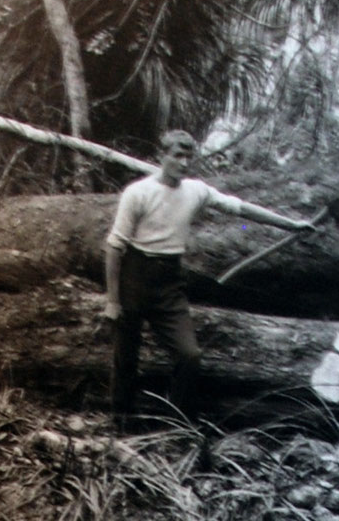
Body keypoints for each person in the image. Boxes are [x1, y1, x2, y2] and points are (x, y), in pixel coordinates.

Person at [103, 130, 316, 423]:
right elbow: (114, 246)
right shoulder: (138, 193)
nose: (184, 162)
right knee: (126, 357)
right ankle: (120, 422)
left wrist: (290, 224)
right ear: (160, 156)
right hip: (134, 276)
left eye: (189, 156)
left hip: (169, 280)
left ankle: (175, 422)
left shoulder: (195, 190)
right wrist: (112, 301)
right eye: (177, 155)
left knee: (189, 355)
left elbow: (240, 207)